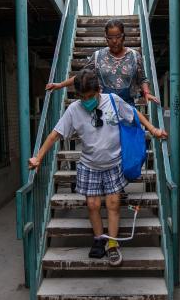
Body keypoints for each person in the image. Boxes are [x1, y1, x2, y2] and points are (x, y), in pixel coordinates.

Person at [29, 68, 167, 265]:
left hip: (113, 164)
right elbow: (54, 134)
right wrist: (38, 158)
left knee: (113, 205)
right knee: (93, 205)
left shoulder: (113, 101)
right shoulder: (74, 110)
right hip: (88, 165)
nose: (88, 101)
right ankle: (98, 239)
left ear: (99, 90)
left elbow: (134, 114)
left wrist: (153, 130)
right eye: (83, 97)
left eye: (91, 96)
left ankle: (112, 244)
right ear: (77, 96)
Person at [45, 18, 160, 105]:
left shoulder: (135, 56)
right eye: (110, 38)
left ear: (123, 36)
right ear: (106, 38)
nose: (114, 41)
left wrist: (146, 93)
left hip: (128, 108)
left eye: (118, 37)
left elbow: (142, 79)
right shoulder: (98, 56)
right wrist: (60, 85)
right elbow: (82, 76)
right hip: (103, 108)